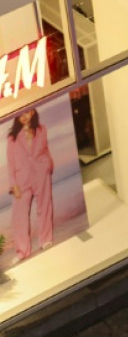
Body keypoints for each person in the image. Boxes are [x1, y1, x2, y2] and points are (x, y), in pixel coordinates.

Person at [6, 109, 54, 264]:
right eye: (21, 114)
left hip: (41, 174)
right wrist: (14, 185)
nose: (24, 117)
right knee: (19, 216)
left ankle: (46, 240)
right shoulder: (12, 138)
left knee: (44, 207)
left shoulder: (41, 129)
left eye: (27, 113)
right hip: (22, 180)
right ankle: (22, 251)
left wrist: (48, 166)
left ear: (33, 112)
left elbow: (45, 150)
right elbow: (11, 164)